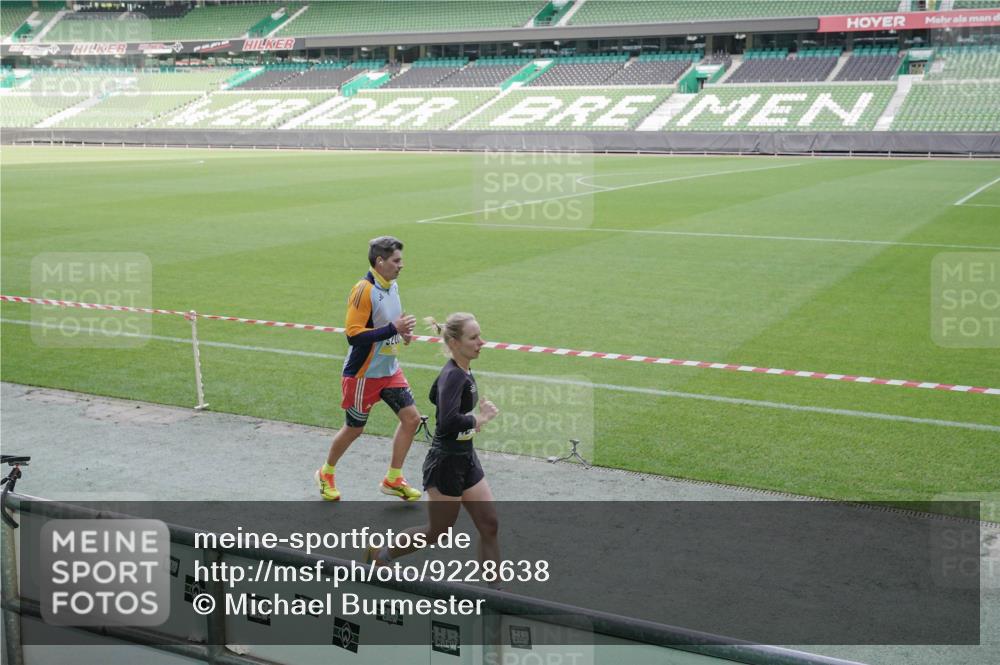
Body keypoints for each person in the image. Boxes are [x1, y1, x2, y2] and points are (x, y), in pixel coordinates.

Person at [366, 313, 500, 576]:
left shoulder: (461, 370)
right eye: (473, 338)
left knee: (489, 524)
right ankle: (380, 556)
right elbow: (448, 422)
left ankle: (496, 594)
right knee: (436, 532)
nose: (481, 342)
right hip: (446, 464)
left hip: (466, 458)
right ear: (454, 343)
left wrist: (470, 423)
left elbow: (434, 395)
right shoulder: (454, 376)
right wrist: (477, 418)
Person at [315, 236, 421, 502]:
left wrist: (402, 333)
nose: (401, 265)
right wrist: (392, 329)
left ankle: (393, 479)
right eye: (396, 260)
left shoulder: (392, 286)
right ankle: (325, 473)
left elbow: (390, 323)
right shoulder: (363, 290)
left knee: (412, 420)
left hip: (389, 371)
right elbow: (353, 335)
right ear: (380, 261)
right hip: (363, 374)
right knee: (354, 429)